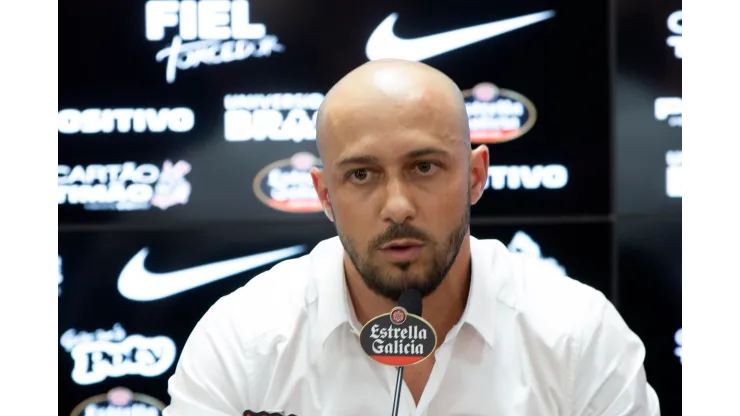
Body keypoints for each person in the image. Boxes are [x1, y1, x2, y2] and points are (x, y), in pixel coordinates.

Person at [163, 59, 660, 415]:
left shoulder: (577, 335)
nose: (397, 205)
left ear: (475, 174)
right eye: (361, 175)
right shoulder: (242, 340)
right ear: (324, 194)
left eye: (424, 167)